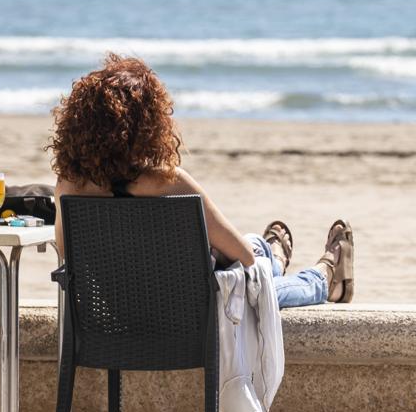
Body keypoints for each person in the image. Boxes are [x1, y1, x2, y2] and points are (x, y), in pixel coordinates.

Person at [47, 53, 354, 306]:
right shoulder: (170, 184)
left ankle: (274, 254)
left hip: (113, 319)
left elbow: (68, 259)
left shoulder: (68, 187)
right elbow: (244, 260)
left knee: (249, 257)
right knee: (255, 268)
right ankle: (322, 276)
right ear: (148, 128)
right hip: (188, 317)